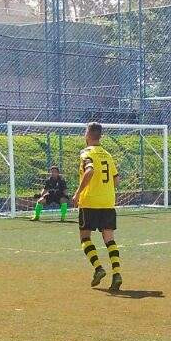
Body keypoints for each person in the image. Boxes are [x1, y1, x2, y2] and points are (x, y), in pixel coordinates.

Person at [73, 122, 122, 292]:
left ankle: (99, 268)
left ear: (87, 134)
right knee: (109, 239)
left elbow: (90, 170)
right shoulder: (108, 155)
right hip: (108, 202)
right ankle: (117, 274)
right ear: (100, 136)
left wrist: (78, 192)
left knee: (85, 238)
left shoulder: (86, 153)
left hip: (90, 202)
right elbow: (116, 180)